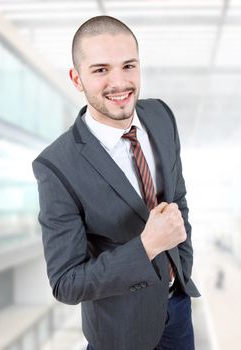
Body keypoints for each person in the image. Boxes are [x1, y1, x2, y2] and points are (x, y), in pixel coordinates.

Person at [32, 15, 200, 350]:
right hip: (120, 332)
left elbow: (177, 196)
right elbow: (66, 282)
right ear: (76, 79)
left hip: (177, 311)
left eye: (128, 66)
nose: (119, 83)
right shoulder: (56, 165)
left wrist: (181, 263)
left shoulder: (161, 116)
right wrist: (147, 246)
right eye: (100, 70)